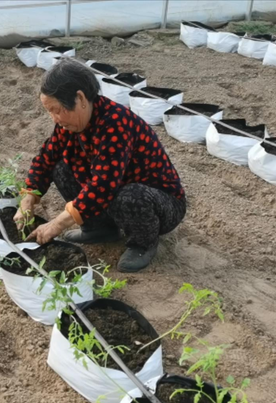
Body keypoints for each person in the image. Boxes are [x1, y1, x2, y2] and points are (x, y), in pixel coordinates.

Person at [18, 58, 186, 273]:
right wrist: (29, 198)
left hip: (159, 203)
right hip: (115, 196)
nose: (54, 118)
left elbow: (103, 186)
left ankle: (143, 243)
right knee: (60, 167)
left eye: (57, 109)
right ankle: (99, 228)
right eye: (49, 111)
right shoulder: (68, 125)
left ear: (80, 98)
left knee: (130, 195)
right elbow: (46, 158)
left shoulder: (115, 124)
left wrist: (57, 223)